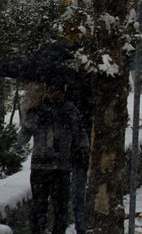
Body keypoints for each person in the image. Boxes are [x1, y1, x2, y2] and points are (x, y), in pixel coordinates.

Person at [19, 81, 90, 234]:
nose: (53, 94)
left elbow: (81, 135)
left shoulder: (70, 111)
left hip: (61, 168)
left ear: (63, 92)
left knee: (61, 209)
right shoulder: (37, 112)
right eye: (50, 90)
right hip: (40, 167)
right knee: (39, 208)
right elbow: (22, 139)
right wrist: (30, 121)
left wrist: (82, 150)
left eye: (57, 90)